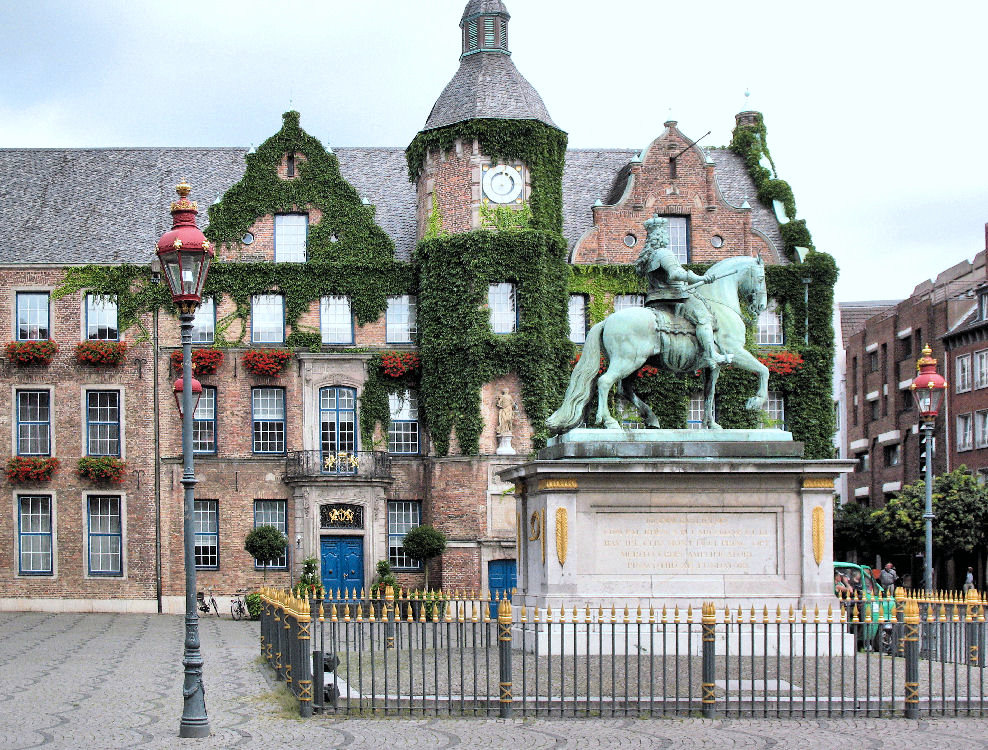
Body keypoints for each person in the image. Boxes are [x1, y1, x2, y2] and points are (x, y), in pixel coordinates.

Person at [636, 213, 729, 369]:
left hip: (655, 299)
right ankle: (711, 355)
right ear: (660, 235)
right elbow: (675, 274)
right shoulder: (664, 253)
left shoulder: (648, 256)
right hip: (675, 297)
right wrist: (700, 278)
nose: (667, 236)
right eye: (665, 233)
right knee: (703, 318)